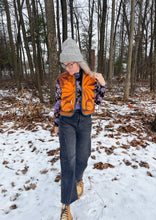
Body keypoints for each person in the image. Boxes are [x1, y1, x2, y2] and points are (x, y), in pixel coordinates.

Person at [54, 38, 106, 220]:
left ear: (78, 61)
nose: (67, 68)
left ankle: (79, 178)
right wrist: (56, 124)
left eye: (70, 64)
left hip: (85, 121)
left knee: (83, 156)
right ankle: (66, 205)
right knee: (68, 160)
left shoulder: (90, 79)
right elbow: (58, 102)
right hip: (67, 121)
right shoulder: (61, 79)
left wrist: (102, 84)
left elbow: (98, 101)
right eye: (64, 64)